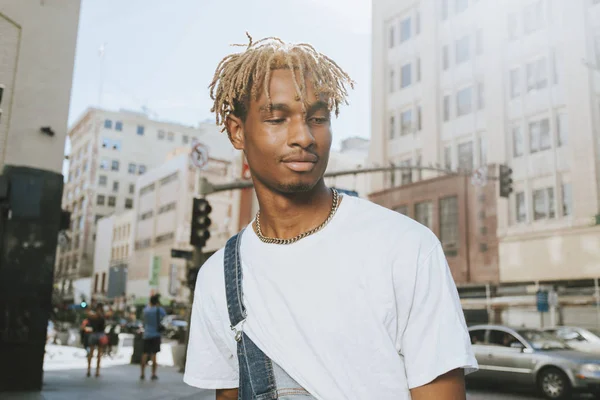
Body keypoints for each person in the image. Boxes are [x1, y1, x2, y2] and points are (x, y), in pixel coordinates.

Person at [183, 34, 478, 400]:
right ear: (237, 131)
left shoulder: (406, 247)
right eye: (277, 119)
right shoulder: (219, 276)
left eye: (317, 118)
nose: (303, 136)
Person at [140, 294, 166, 381]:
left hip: (146, 334)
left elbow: (143, 319)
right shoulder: (159, 309)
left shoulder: (146, 310)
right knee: (154, 354)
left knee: (144, 354)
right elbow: (164, 315)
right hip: (156, 335)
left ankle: (142, 373)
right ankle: (153, 374)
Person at [86, 303, 109, 378]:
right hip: (100, 334)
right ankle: (95, 371)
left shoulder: (94, 315)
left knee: (94, 353)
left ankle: (90, 370)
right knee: (97, 354)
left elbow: (87, 312)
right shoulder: (102, 315)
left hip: (94, 334)